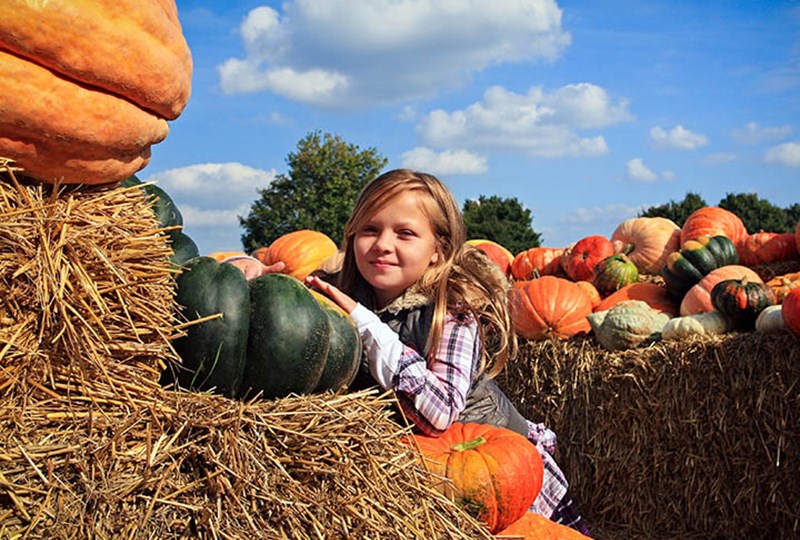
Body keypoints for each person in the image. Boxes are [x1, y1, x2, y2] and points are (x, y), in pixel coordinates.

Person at [304, 169, 591, 536]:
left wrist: (365, 325)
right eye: (369, 230)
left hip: (490, 477)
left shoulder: (454, 310)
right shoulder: (341, 296)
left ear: (438, 250)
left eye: (405, 233)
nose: (382, 244)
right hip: (409, 478)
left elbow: (438, 413)